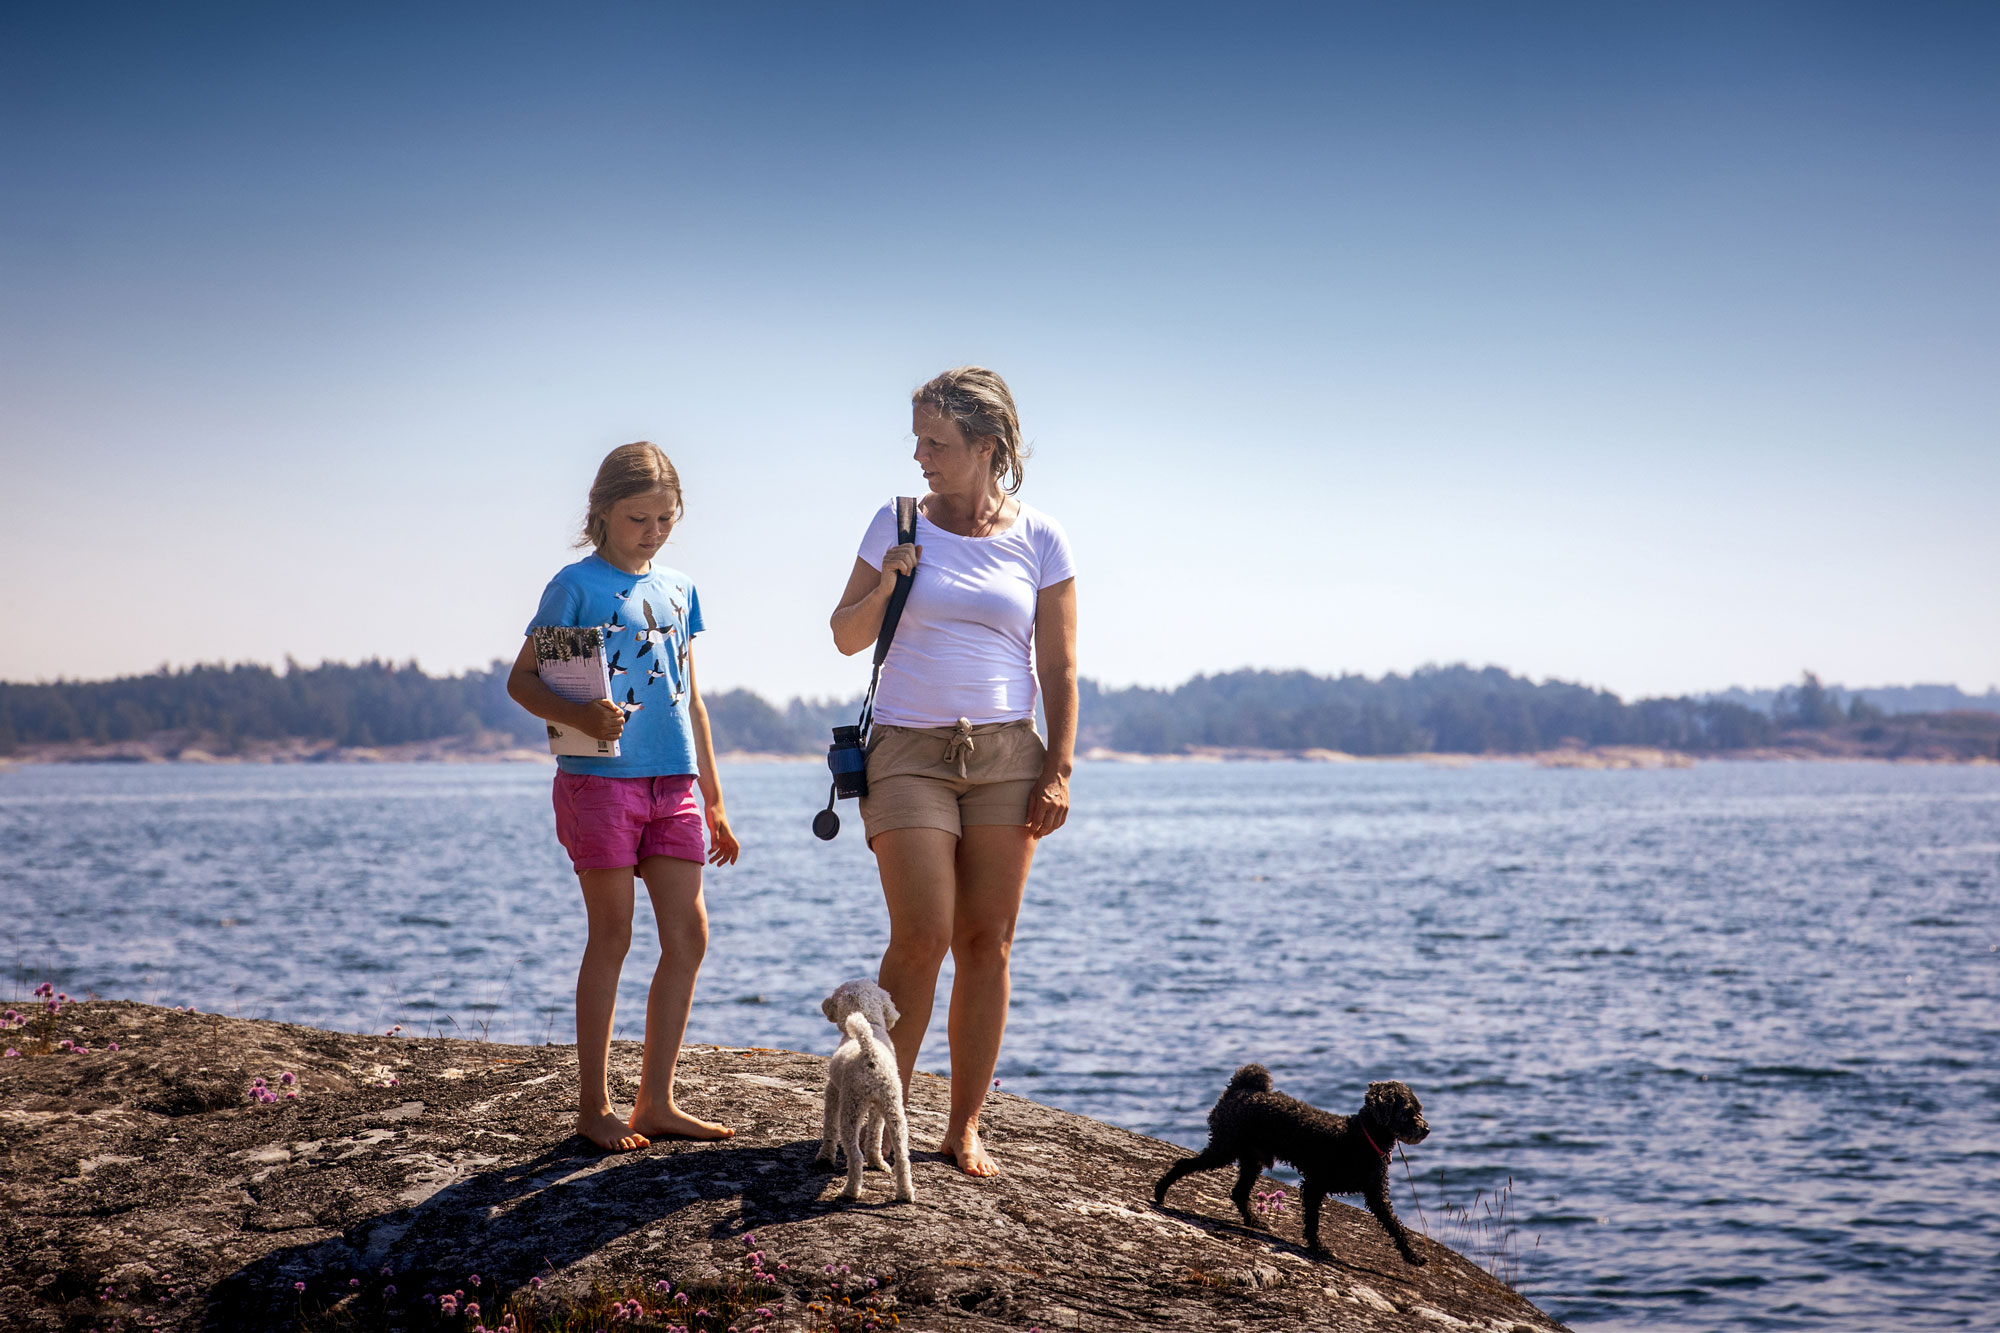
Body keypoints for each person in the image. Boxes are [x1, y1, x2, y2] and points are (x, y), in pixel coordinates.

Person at [829, 366, 1078, 1177]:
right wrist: (892, 578)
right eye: (918, 438)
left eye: (934, 442)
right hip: (907, 752)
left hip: (1009, 754)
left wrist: (1058, 769)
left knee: (987, 942)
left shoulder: (1041, 536)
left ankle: (963, 1125)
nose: (918, 454)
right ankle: (878, 1114)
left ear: (987, 447)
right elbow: (843, 634)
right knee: (924, 933)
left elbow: (1062, 668)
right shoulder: (896, 521)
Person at [508, 441, 740, 1152]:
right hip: (597, 784)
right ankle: (593, 1105)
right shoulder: (573, 585)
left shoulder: (679, 586)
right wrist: (583, 717)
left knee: (690, 934)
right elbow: (523, 682)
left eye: (665, 518)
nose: (653, 530)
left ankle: (657, 1099)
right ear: (602, 511)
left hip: (673, 785)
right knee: (612, 934)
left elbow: (690, 698)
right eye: (639, 517)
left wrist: (716, 799)